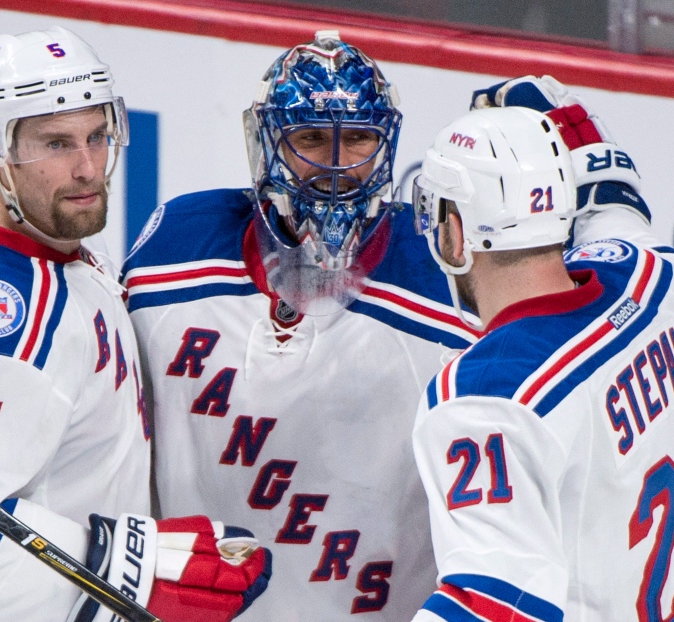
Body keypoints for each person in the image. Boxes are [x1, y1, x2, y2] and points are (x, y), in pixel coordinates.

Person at [0, 27, 269, 622]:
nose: (88, 168)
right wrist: (131, 584)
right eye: (56, 144)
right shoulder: (11, 321)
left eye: (97, 136)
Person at [121, 30, 480, 620]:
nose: (336, 167)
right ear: (267, 146)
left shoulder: (445, 277)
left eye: (358, 140)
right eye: (310, 139)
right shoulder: (174, 247)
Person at [407, 96, 674, 619]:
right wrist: (602, 175)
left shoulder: (485, 398)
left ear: (457, 231)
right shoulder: (655, 286)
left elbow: (496, 605)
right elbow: (662, 258)